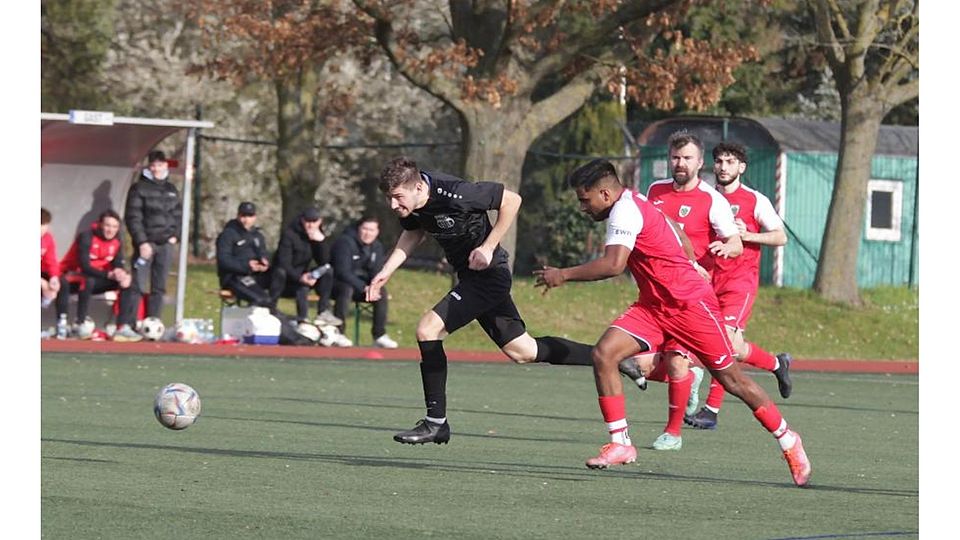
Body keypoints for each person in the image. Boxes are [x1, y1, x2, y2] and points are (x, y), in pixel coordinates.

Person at [534, 159, 811, 486]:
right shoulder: (637, 200)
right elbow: (676, 230)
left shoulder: (624, 210)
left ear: (605, 193)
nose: (583, 207)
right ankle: (621, 444)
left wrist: (563, 274)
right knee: (604, 353)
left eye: (585, 199)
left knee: (733, 381)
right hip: (654, 307)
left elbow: (613, 265)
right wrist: (690, 261)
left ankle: (788, 439)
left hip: (690, 306)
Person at [366, 157, 596, 445]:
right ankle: (605, 357)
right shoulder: (412, 204)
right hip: (472, 277)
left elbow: (512, 200)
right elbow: (414, 232)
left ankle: (436, 422)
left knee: (427, 329)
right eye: (389, 198)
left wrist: (487, 247)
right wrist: (385, 273)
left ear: (417, 187)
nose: (392, 205)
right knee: (523, 350)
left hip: (489, 275)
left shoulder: (457, 193)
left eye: (397, 197)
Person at [616, 130, 743, 451]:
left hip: (691, 297)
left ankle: (673, 434)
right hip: (656, 295)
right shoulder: (654, 191)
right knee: (630, 360)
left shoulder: (713, 199)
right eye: (675, 157)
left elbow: (736, 243)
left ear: (701, 162)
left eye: (687, 158)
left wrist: (725, 248)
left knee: (675, 361)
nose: (680, 163)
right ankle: (689, 380)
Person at [683, 142, 792, 430]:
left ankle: (711, 410)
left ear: (741, 167)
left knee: (726, 344)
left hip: (739, 284)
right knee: (733, 346)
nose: (722, 167)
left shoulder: (756, 200)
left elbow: (780, 237)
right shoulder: (705, 197)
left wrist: (748, 237)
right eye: (718, 161)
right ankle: (777, 364)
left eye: (729, 162)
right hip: (707, 282)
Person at [55, 210, 141, 341]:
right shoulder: (86, 237)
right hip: (75, 276)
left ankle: (123, 326)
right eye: (107, 225)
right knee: (87, 281)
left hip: (100, 278)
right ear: (100, 225)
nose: (110, 230)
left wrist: (121, 272)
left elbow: (118, 262)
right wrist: (109, 274)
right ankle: (80, 323)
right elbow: (84, 266)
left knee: (128, 282)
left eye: (114, 227)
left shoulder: (117, 240)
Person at [124, 150, 182, 320]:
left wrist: (175, 236)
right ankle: (130, 323)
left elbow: (178, 215)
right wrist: (142, 242)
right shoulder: (139, 188)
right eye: (153, 165)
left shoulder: (171, 189)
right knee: (138, 285)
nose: (156, 168)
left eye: (159, 165)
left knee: (159, 287)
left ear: (165, 165)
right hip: (146, 245)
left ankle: (153, 322)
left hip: (166, 245)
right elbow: (133, 217)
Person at [331, 215, 398, 348]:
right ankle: (338, 332)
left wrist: (374, 287)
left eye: (372, 230)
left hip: (363, 288)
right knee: (346, 288)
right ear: (359, 229)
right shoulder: (345, 242)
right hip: (337, 286)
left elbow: (376, 271)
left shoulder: (377, 247)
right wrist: (363, 287)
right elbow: (342, 272)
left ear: (377, 232)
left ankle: (379, 335)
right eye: (365, 229)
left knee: (381, 292)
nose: (368, 233)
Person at [270, 207, 343, 328]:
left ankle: (323, 311)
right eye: (308, 222)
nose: (310, 225)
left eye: (314, 222)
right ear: (302, 221)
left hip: (305, 275)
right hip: (288, 277)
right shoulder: (289, 234)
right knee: (299, 285)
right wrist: (299, 277)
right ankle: (300, 319)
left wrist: (321, 242)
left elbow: (325, 261)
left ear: (319, 222)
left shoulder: (318, 234)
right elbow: (283, 262)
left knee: (328, 271)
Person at [216, 202, 273, 308]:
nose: (246, 220)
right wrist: (246, 265)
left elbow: (263, 252)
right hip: (234, 277)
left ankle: (293, 320)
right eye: (243, 216)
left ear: (255, 217)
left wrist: (264, 262)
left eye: (250, 216)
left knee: (279, 277)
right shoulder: (228, 234)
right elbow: (223, 260)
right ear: (238, 216)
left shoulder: (258, 236)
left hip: (255, 276)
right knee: (262, 300)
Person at [41, 208, 61, 310]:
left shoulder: (47, 238)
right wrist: (42, 283)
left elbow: (51, 261)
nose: (43, 228)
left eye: (45, 224)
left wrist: (54, 277)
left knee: (62, 283)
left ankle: (62, 318)